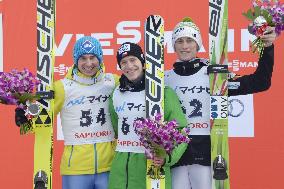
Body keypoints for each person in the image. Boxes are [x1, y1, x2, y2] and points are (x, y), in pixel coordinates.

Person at [165, 18, 276, 189]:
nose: (184, 46)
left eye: (189, 40)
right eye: (179, 41)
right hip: (175, 154)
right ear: (173, 45)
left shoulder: (215, 74)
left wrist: (267, 48)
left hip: (206, 154)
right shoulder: (164, 78)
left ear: (198, 44)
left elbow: (260, 82)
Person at [15, 36, 119, 189]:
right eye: (83, 58)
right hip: (75, 169)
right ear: (75, 60)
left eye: (93, 57)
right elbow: (42, 121)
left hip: (110, 167)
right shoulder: (62, 87)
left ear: (100, 58)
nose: (89, 63)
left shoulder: (113, 82)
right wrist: (26, 117)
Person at [108, 42, 188, 189]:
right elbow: (116, 128)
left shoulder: (162, 93)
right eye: (123, 62)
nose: (129, 66)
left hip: (150, 165)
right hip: (121, 168)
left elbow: (182, 131)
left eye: (133, 60)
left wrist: (167, 157)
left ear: (143, 62)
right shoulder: (116, 93)